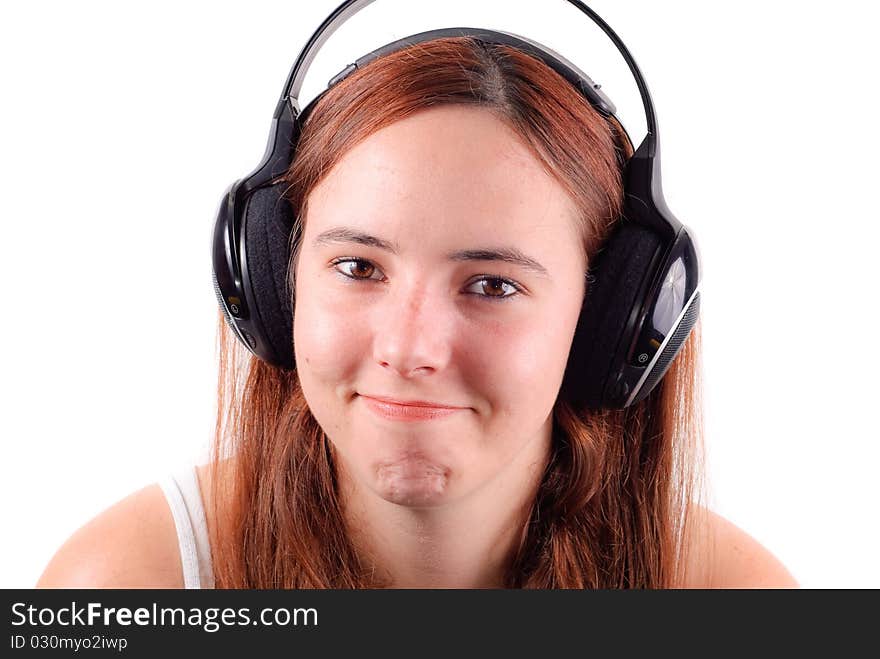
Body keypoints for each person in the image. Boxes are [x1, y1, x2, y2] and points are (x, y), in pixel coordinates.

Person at [37, 36, 797, 589]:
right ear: (274, 282)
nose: (409, 347)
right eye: (358, 267)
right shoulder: (126, 585)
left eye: (492, 284)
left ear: (614, 321)